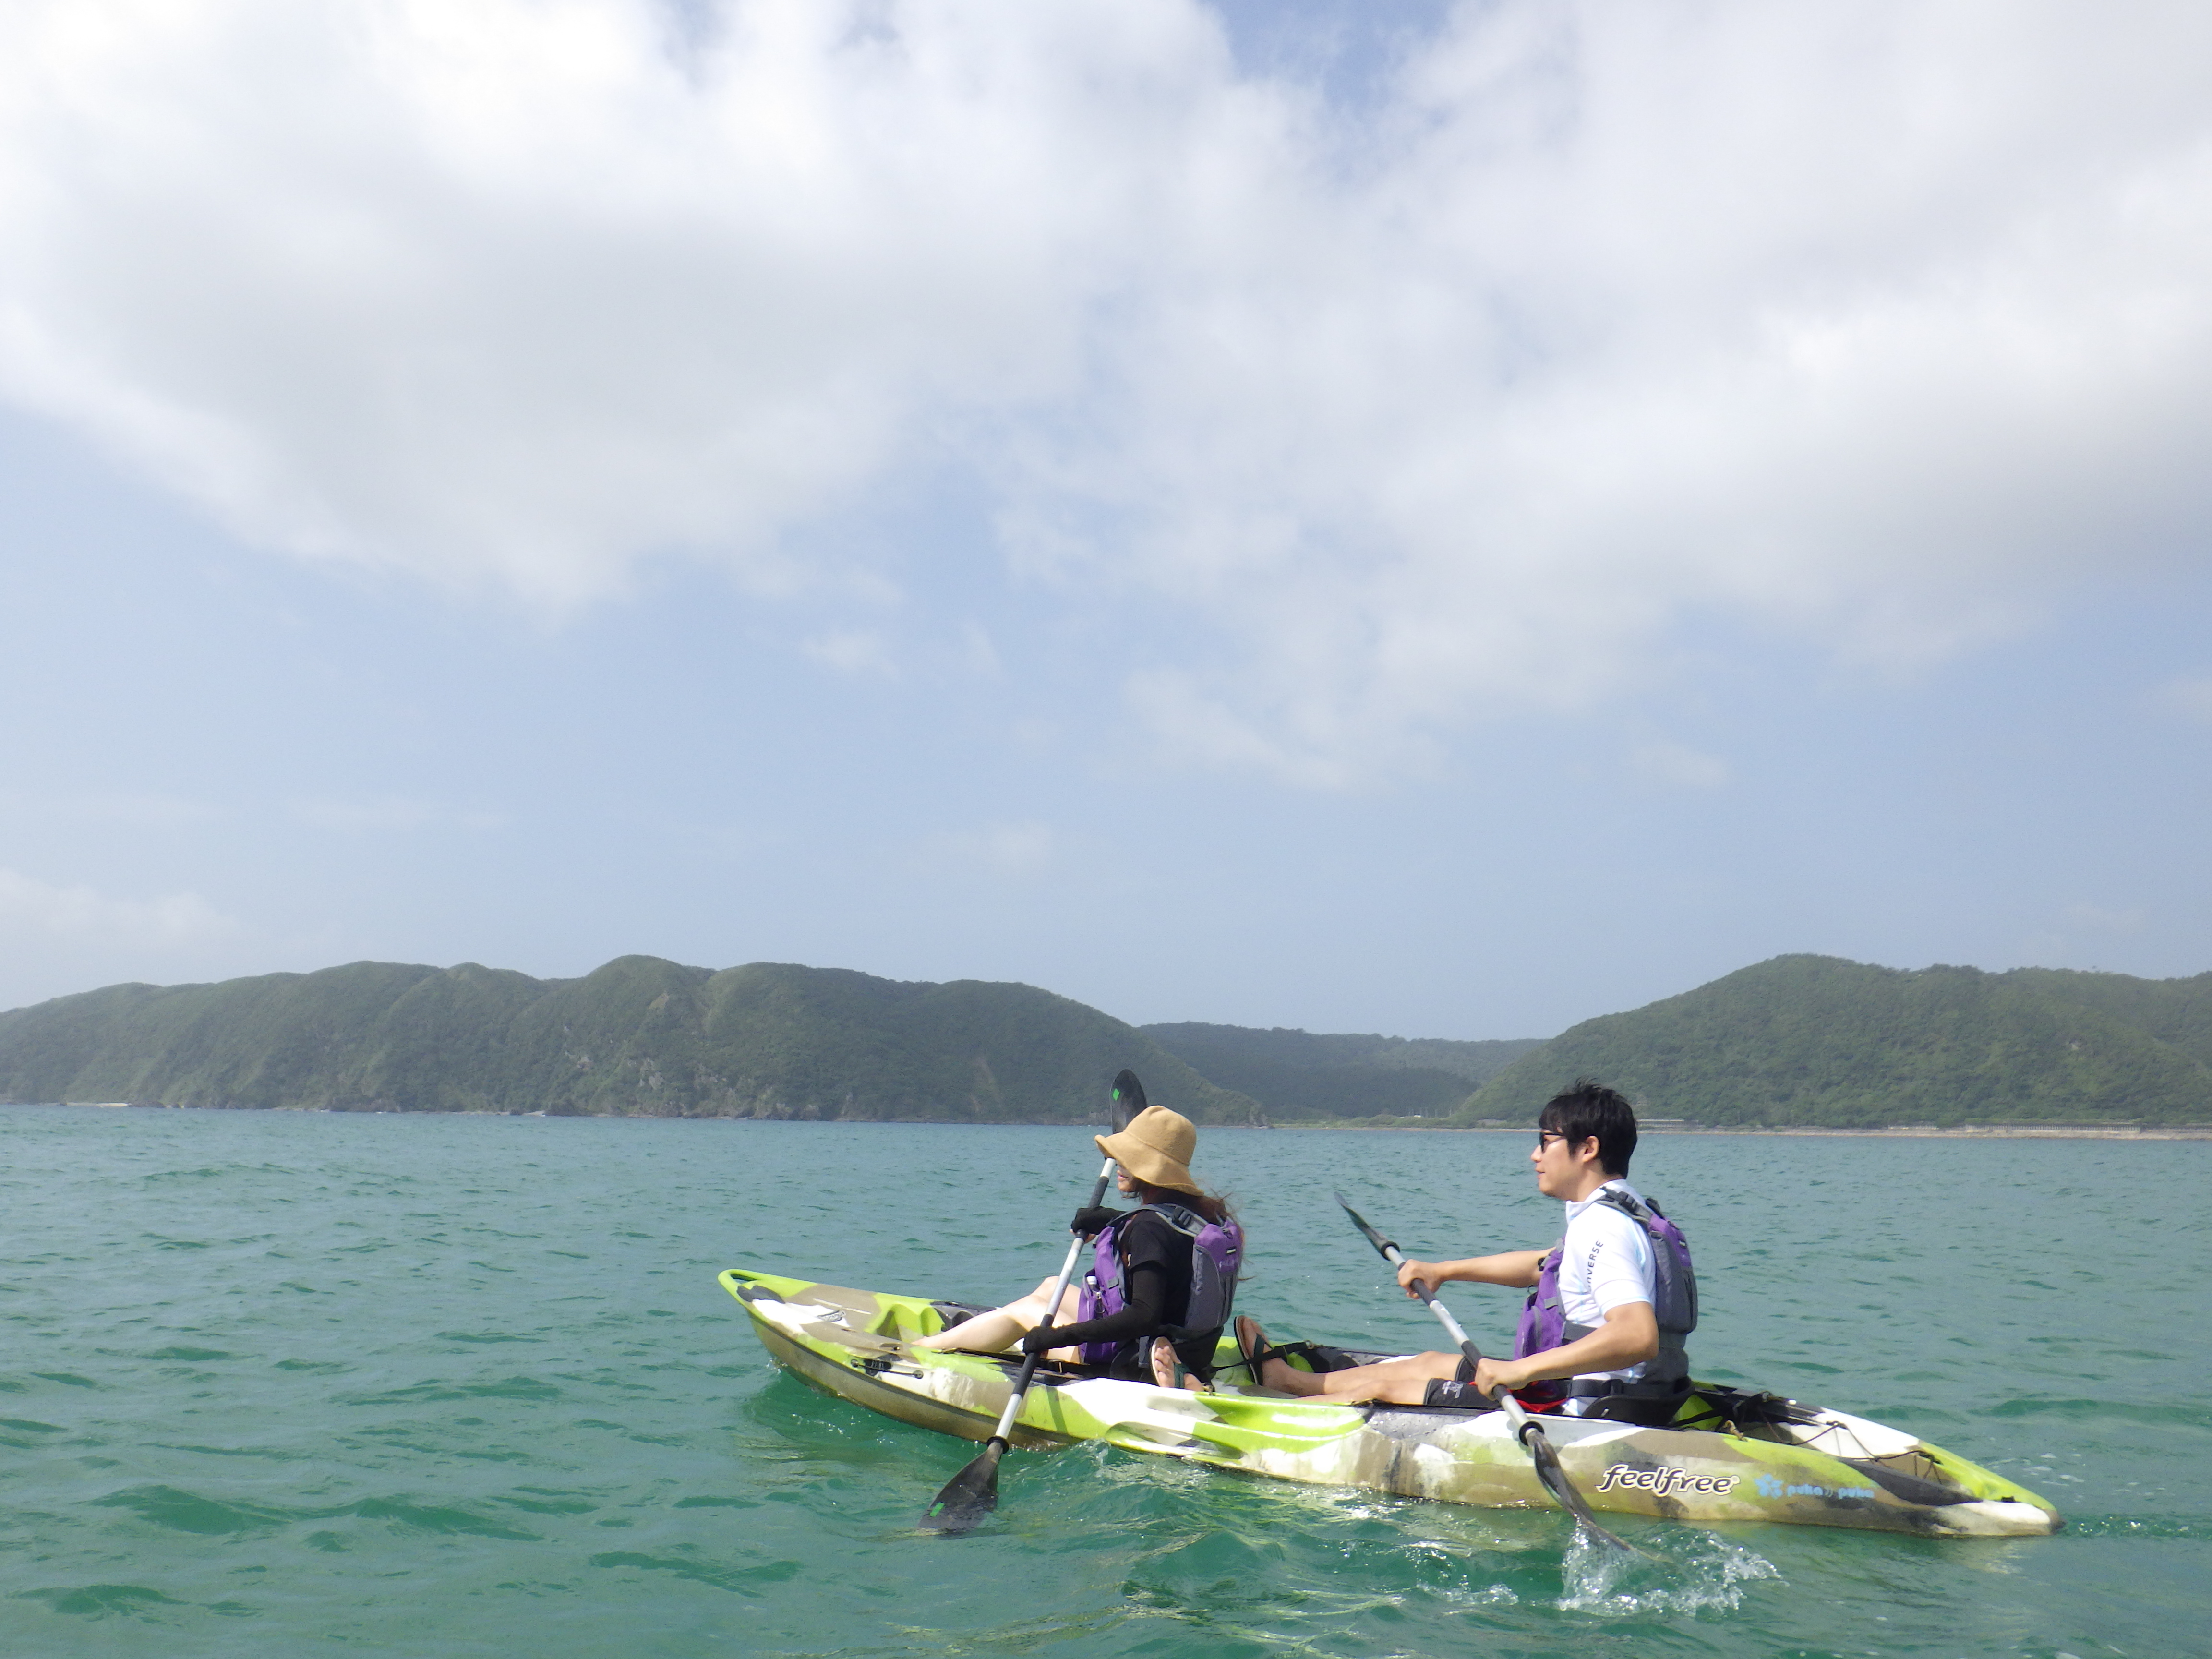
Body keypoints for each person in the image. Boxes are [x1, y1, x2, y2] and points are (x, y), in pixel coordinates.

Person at [1239, 1080, 1696, 1424]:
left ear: (1588, 1149)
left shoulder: (1605, 1228)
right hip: (1605, 1390)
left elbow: (1637, 1337)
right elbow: (1546, 1267)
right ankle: (1292, 1383)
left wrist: (1521, 1371)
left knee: (1386, 1384)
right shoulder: (1620, 1209)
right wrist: (1443, 1271)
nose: (1534, 1156)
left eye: (1545, 1141)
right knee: (1425, 1363)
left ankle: (1261, 1413)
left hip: (1583, 1408)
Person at [912, 1103, 1244, 1387]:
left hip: (1140, 1360)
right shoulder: (1203, 1216)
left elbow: (1143, 1315)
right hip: (1188, 1346)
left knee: (1024, 1313)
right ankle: (950, 1342)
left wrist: (1057, 1337)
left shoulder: (1148, 1230)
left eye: (1128, 1159)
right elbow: (1169, 1247)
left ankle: (924, 1350)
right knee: (1050, 1286)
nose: (1118, 1164)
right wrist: (1110, 1220)